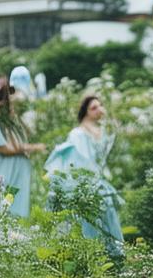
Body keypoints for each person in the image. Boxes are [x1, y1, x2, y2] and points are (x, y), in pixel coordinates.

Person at [44, 94, 124, 260]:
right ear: (85, 111)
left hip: (98, 181)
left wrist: (110, 119)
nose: (98, 110)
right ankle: (89, 256)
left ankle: (110, 257)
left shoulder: (101, 131)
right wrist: (88, 183)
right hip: (83, 183)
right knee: (86, 216)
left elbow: (103, 155)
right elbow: (79, 162)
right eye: (93, 107)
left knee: (106, 212)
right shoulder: (78, 133)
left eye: (100, 106)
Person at [0, 77, 46, 218]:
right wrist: (34, 147)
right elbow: (4, 149)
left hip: (22, 166)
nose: (15, 96)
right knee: (5, 204)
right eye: (10, 93)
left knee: (20, 206)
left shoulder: (13, 120)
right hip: (9, 167)